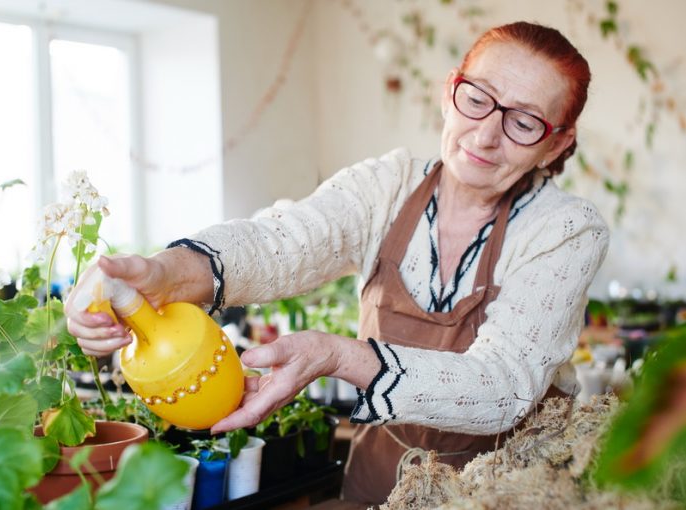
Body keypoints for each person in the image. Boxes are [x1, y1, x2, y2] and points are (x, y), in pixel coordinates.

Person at [65, 21, 609, 504]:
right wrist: (161, 275)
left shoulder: (565, 230)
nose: (487, 135)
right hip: (384, 482)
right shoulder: (387, 188)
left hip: (507, 490)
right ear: (450, 92)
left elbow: (503, 386)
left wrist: (335, 355)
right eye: (478, 99)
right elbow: (279, 243)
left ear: (557, 145)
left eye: (525, 123)